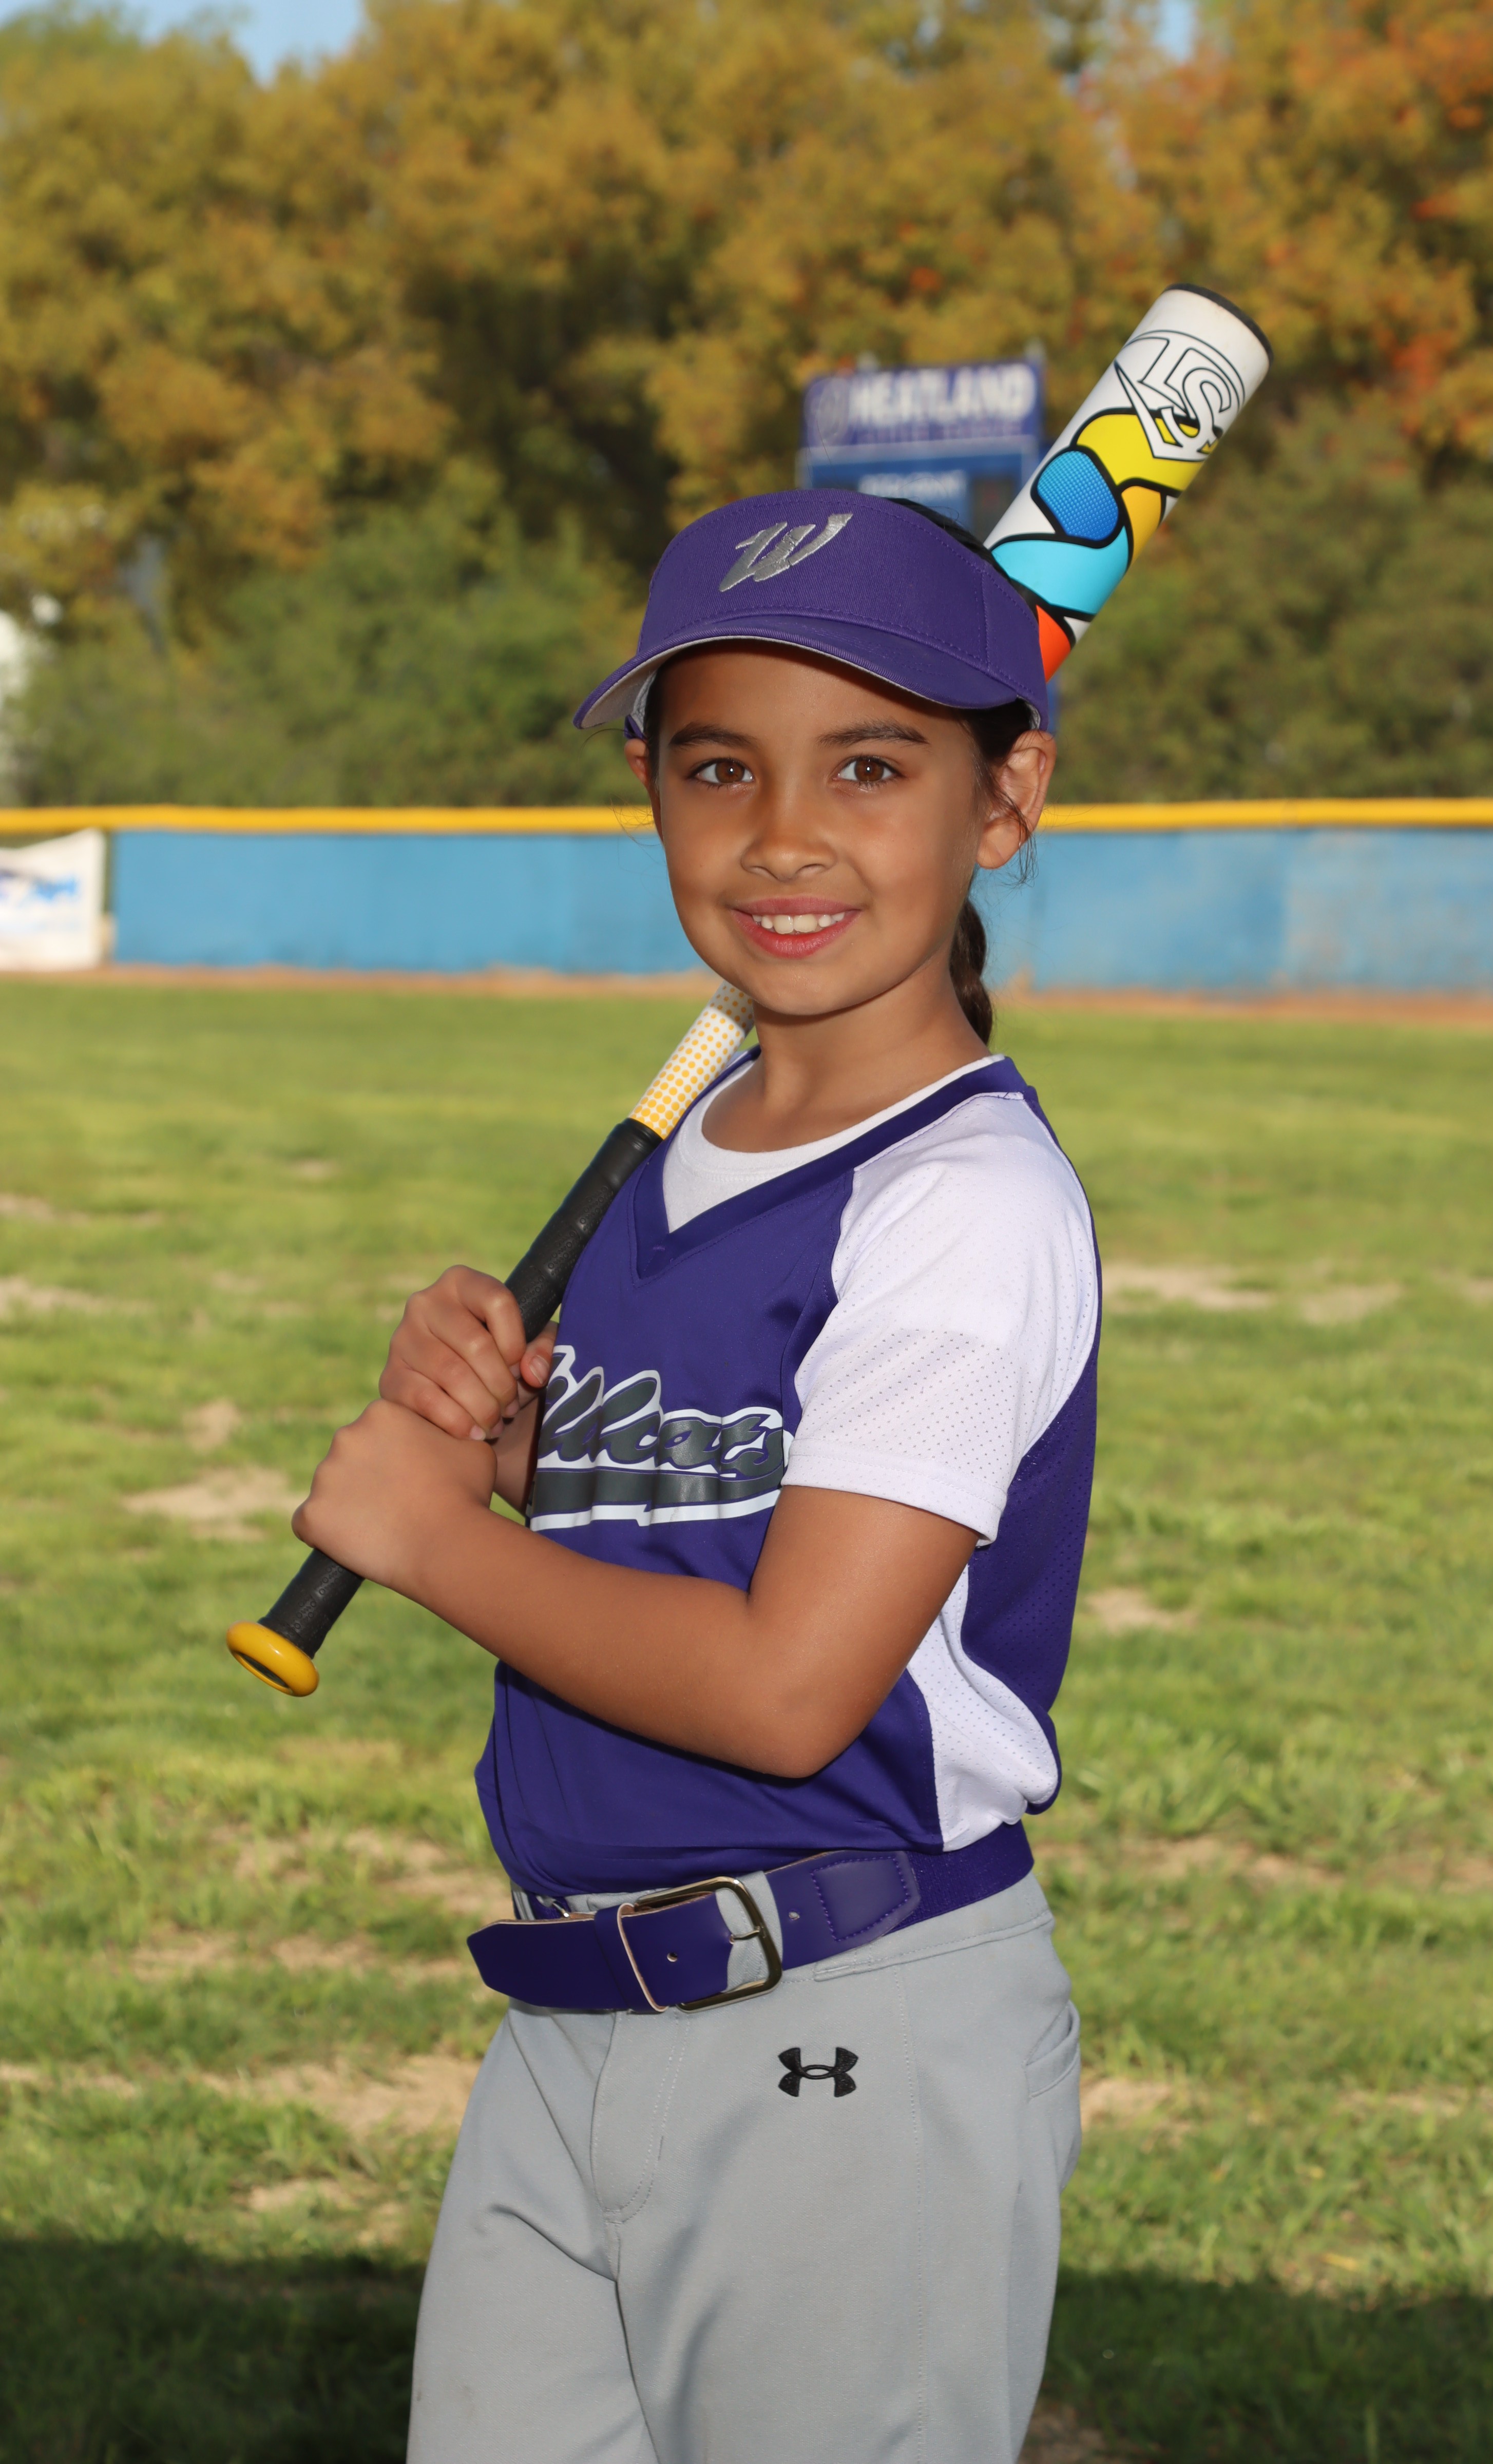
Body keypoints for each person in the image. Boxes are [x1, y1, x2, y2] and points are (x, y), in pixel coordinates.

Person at [292, 489, 1101, 2464]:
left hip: (851, 2014)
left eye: (873, 767)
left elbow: (787, 1687)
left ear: (1005, 802)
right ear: (652, 787)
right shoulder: (701, 1138)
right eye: (721, 766)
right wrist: (512, 1454)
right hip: (580, 2013)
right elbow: (694, 1521)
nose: (785, 836)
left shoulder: (963, 1203)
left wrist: (430, 1546)